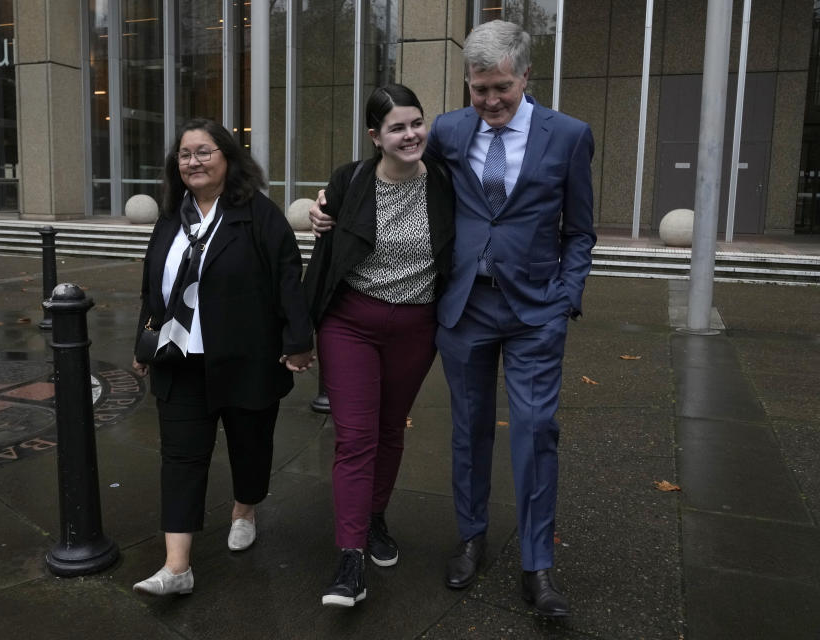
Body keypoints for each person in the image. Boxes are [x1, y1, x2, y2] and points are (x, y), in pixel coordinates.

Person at [310, 21, 596, 617]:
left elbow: (582, 229)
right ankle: (471, 539)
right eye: (478, 89)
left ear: (525, 78)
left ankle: (537, 566)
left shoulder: (568, 136)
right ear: (466, 84)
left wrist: (567, 295)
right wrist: (329, 205)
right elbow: (396, 168)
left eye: (501, 89)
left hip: (535, 311)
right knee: (467, 431)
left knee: (537, 431)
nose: (490, 102)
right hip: (464, 308)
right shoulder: (447, 129)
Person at [132, 118, 314, 596]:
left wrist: (298, 342)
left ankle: (245, 508)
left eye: (204, 151)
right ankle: (177, 568)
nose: (192, 161)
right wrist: (143, 345)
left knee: (249, 447)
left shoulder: (259, 215)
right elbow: (155, 287)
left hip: (246, 357)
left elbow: (287, 278)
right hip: (179, 359)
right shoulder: (171, 217)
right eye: (185, 154)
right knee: (180, 458)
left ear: (228, 158)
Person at [304, 84, 455, 608]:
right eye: (397, 127)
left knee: (390, 430)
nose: (411, 134)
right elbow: (326, 249)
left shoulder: (445, 180)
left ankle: (374, 518)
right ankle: (350, 558)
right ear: (376, 136)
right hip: (351, 324)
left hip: (417, 328)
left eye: (417, 122)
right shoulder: (350, 180)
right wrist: (317, 217)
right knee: (356, 437)